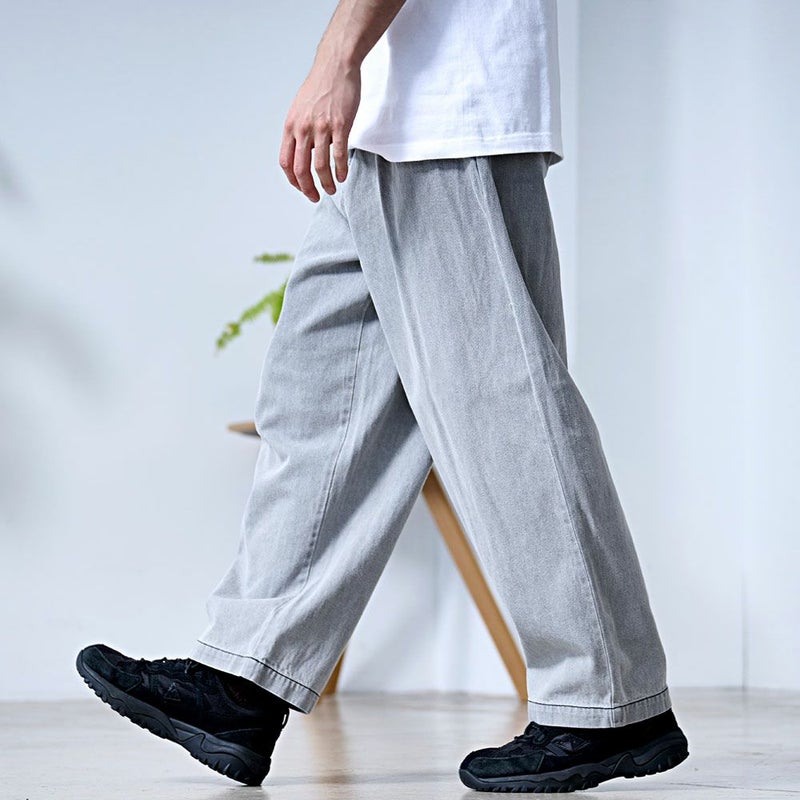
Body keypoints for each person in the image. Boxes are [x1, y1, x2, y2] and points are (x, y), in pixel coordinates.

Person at [76, 0, 690, 792]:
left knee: (501, 411)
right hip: (392, 117)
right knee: (319, 403)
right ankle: (246, 679)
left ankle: (605, 699)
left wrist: (335, 59)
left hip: (449, 108)